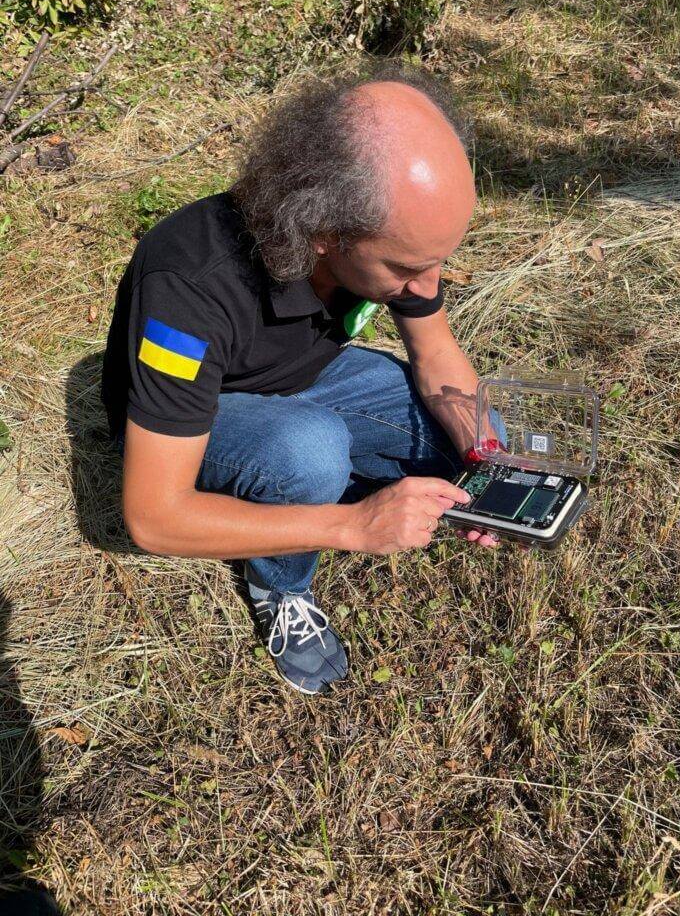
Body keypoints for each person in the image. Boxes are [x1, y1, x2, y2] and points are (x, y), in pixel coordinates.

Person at [101, 65, 503, 696]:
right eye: (407, 267)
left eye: (439, 261)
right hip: (192, 420)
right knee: (309, 451)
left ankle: (354, 482)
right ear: (323, 233)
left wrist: (488, 457)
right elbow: (153, 517)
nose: (428, 286)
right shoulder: (189, 290)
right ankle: (279, 584)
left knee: (479, 426)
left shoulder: (390, 240)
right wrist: (353, 526)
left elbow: (436, 358)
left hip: (306, 378)